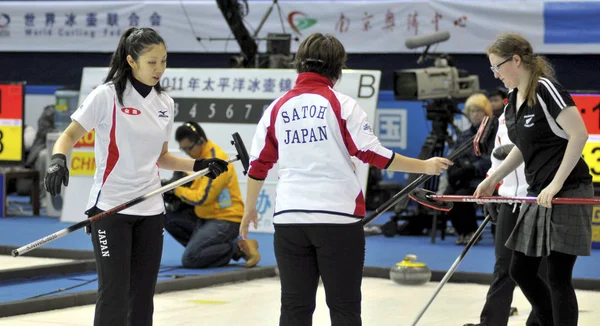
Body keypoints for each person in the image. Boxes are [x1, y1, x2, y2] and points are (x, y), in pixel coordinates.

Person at [238, 32, 453, 326]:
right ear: (338, 69)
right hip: (337, 218)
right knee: (344, 308)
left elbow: (258, 166)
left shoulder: (276, 109)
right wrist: (425, 167)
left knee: (294, 307)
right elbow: (372, 153)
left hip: (289, 219)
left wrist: (249, 208)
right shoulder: (342, 105)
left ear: (298, 64)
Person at [43, 27, 229, 326]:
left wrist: (199, 165)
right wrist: (56, 161)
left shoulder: (165, 104)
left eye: (164, 61)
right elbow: (68, 135)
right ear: (131, 60)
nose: (159, 69)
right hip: (111, 209)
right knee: (114, 293)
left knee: (142, 296)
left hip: (150, 209)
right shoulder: (106, 96)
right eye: (152, 62)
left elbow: (161, 156)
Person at [474, 33, 593, 326]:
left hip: (568, 190)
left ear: (516, 60)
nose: (496, 74)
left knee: (557, 276)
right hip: (539, 192)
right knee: (521, 270)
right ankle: (546, 319)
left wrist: (556, 184)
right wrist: (493, 179)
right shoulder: (513, 99)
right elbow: (522, 148)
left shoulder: (545, 89)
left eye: (497, 67)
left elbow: (579, 135)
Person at [465, 107, 545, 326]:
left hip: (538, 200)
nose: (497, 74)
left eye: (499, 69)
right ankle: (491, 323)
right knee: (504, 267)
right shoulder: (505, 114)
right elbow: (496, 158)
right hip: (509, 200)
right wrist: (492, 187)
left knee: (543, 270)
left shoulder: (542, 106)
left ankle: (540, 322)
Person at [162, 121, 260, 268]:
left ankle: (237, 247)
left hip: (226, 219)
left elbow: (202, 198)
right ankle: (203, 248)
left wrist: (176, 189)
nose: (187, 153)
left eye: (189, 148)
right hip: (205, 217)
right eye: (184, 149)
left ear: (201, 140)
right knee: (166, 216)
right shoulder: (199, 159)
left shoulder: (216, 160)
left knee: (190, 259)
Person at [444, 93, 493, 245]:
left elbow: (491, 160)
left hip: (481, 179)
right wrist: (456, 169)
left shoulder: (492, 134)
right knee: (447, 195)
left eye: (478, 111)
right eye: (472, 111)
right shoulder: (464, 135)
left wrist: (470, 168)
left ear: (486, 113)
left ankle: (472, 231)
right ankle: (462, 231)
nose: (475, 115)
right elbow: (454, 156)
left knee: (461, 195)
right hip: (463, 178)